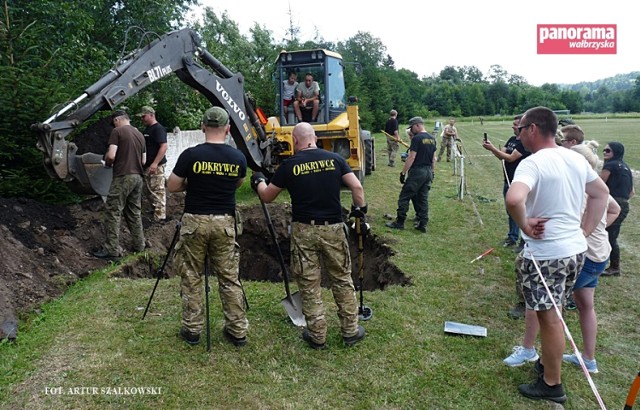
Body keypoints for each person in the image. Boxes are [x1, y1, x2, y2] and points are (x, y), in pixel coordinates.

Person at [505, 106, 609, 404]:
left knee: (549, 318)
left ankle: (552, 384)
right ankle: (547, 363)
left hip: (546, 255)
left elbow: (514, 198)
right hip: (575, 252)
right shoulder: (575, 159)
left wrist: (524, 223)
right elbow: (601, 194)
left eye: (521, 128)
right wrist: (584, 233)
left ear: (533, 129)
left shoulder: (533, 163)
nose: (519, 133)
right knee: (556, 311)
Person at [252, 122, 366, 349]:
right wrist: (359, 211)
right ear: (314, 137)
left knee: (309, 283)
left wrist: (258, 181)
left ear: (295, 141)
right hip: (333, 228)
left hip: (304, 230)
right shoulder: (335, 159)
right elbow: (357, 187)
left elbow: (267, 197)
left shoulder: (289, 165)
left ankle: (317, 335)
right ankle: (350, 331)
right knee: (342, 279)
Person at [167, 107, 248, 347]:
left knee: (191, 276)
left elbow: (172, 186)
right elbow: (237, 183)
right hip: (224, 222)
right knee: (229, 277)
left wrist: (192, 185)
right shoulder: (238, 157)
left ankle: (192, 330)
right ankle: (237, 330)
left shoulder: (190, 155)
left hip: (195, 222)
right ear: (228, 129)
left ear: (203, 126)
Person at [561, 142, 620, 373]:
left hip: (586, 257)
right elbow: (614, 209)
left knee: (554, 307)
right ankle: (588, 358)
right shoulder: (597, 189)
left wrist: (587, 230)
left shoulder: (581, 190)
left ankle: (544, 359)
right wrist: (599, 228)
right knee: (585, 304)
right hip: (600, 255)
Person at [92, 110, 146, 259]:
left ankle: (112, 250)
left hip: (123, 176)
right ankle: (139, 245)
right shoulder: (139, 134)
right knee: (134, 212)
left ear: (117, 120)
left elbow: (111, 155)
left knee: (113, 211)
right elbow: (143, 161)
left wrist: (108, 164)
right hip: (138, 177)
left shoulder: (117, 131)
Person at [482, 114, 531, 250]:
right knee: (511, 211)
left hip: (518, 183)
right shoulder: (511, 140)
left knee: (522, 211)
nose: (513, 126)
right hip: (507, 181)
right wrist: (492, 148)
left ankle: (524, 240)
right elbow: (501, 155)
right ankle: (512, 237)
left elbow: (510, 158)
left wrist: (493, 149)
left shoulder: (523, 144)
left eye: (515, 124)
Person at [386, 116, 437, 233]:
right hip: (428, 171)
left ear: (418, 125)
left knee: (405, 196)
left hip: (417, 172)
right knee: (423, 198)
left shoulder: (417, 138)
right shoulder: (432, 138)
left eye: (412, 127)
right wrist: (433, 172)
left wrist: (403, 172)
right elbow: (434, 159)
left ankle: (399, 222)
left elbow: (411, 157)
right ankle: (422, 224)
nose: (411, 130)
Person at [600, 141, 635, 276]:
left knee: (607, 234)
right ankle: (613, 266)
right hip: (624, 204)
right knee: (610, 234)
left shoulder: (609, 166)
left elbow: (599, 185)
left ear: (616, 152)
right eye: (604, 150)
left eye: (608, 151)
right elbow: (632, 192)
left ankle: (614, 267)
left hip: (612, 204)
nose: (604, 152)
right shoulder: (625, 167)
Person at [138, 106, 168, 222]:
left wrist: (155, 163)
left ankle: (160, 219)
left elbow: (164, 146)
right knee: (149, 191)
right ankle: (155, 213)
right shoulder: (147, 130)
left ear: (151, 115)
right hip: (148, 166)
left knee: (157, 191)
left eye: (144, 116)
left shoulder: (158, 129)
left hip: (156, 166)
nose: (142, 119)